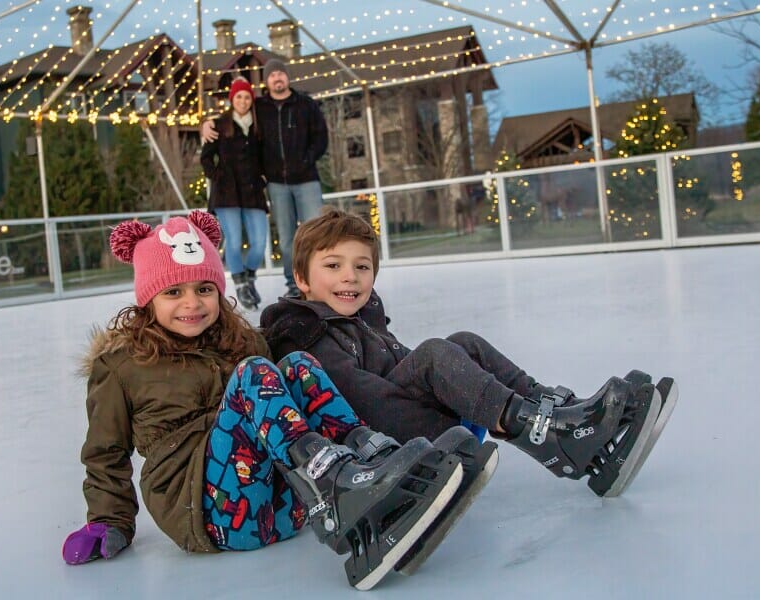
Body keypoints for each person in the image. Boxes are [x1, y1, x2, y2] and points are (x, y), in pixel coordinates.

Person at [60, 210, 473, 591]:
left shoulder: (240, 340)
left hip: (286, 507)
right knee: (254, 372)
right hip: (211, 514)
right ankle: (339, 490)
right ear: (147, 298)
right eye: (173, 292)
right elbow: (106, 452)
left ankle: (367, 464)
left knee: (296, 363)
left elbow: (298, 396)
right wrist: (107, 521)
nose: (192, 303)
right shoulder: (123, 364)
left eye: (204, 288)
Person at [260, 208, 678, 504]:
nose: (350, 276)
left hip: (423, 425)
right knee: (435, 353)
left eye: (362, 267)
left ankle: (557, 413)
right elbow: (361, 399)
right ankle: (548, 435)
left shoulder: (361, 318)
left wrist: (458, 387)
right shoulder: (305, 331)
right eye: (333, 265)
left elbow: (404, 367)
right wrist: (445, 418)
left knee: (463, 342)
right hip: (389, 447)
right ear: (302, 278)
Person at [203, 59, 329, 298]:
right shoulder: (260, 107)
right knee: (286, 237)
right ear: (266, 80)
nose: (277, 78)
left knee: (316, 233)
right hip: (276, 184)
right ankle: (294, 283)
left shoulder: (305, 104)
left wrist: (306, 159)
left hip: (306, 179)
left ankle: (320, 279)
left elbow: (321, 137)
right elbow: (231, 113)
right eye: (272, 75)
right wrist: (205, 124)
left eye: (281, 73)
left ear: (287, 78)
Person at [200, 77, 268, 310]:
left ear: (251, 100)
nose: (243, 100)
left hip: (252, 193)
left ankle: (249, 277)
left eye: (247, 96)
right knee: (235, 241)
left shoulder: (258, 127)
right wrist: (217, 176)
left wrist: (264, 175)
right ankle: (240, 285)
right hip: (227, 194)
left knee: (259, 242)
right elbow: (206, 157)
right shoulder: (220, 124)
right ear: (232, 99)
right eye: (238, 96)